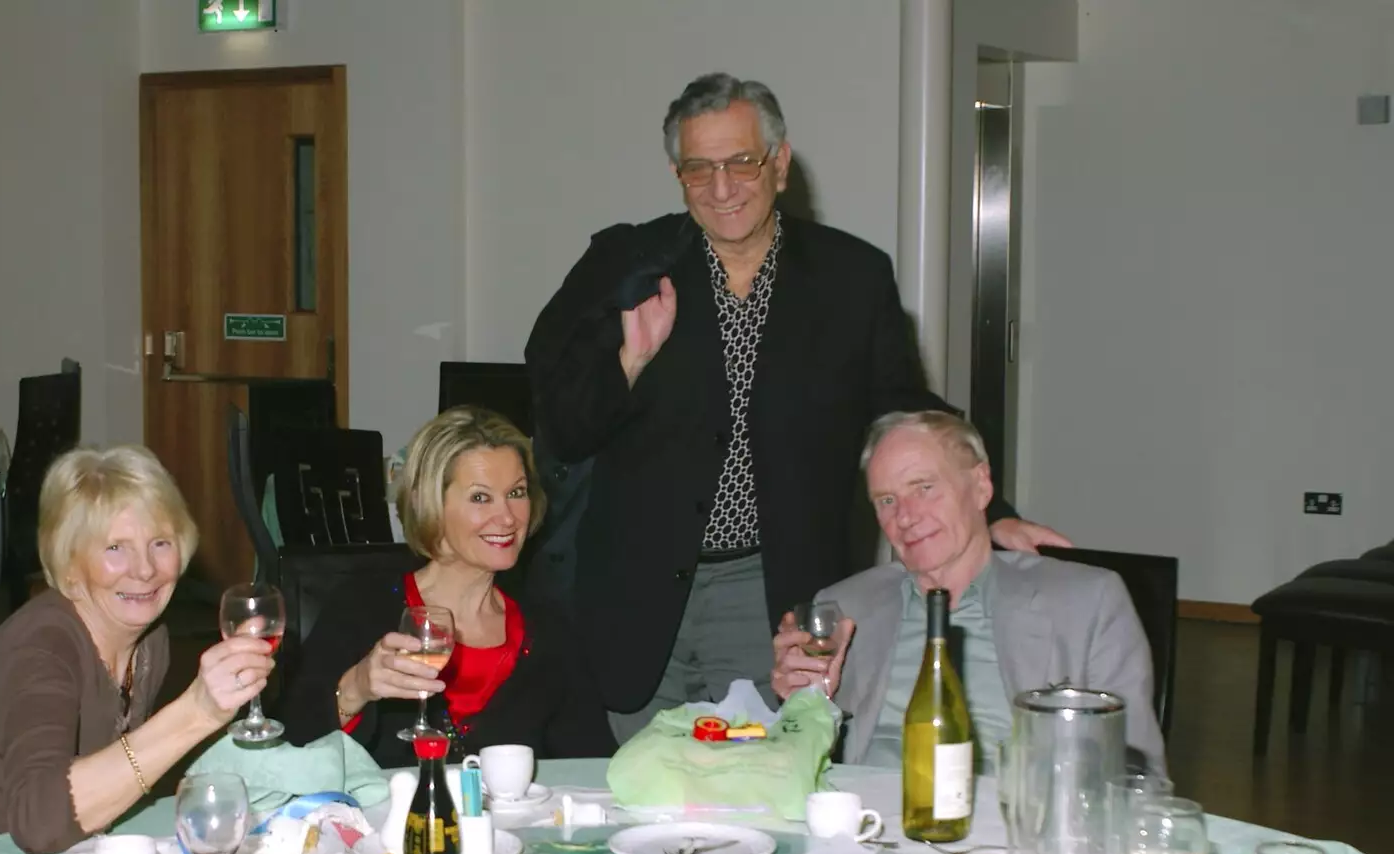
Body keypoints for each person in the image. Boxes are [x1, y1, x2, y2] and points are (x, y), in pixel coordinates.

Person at [526, 72, 1069, 741]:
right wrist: (627, 365)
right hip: (633, 595)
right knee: (632, 800)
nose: (721, 189)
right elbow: (562, 427)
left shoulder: (850, 278)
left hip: (770, 595)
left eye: (741, 163)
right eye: (699, 169)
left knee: (757, 798)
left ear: (780, 163)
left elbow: (905, 411)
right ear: (678, 174)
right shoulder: (627, 266)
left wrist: (992, 513)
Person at [771, 411, 1167, 775]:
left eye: (924, 488)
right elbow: (800, 763)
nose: (905, 517)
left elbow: (1132, 772)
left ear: (980, 486)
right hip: (868, 831)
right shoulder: (847, 607)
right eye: (887, 500)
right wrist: (804, 704)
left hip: (1016, 834)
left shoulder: (1086, 603)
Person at [0, 446, 275, 854]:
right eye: (115, 548)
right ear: (68, 561)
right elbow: (40, 823)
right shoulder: (44, 647)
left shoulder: (150, 641)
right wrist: (196, 712)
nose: (144, 570)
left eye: (160, 543)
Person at [280, 407, 616, 768]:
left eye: (516, 492)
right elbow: (291, 748)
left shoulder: (549, 631)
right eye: (480, 497)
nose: (507, 517)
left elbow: (594, 767)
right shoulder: (364, 608)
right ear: (432, 504)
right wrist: (356, 687)